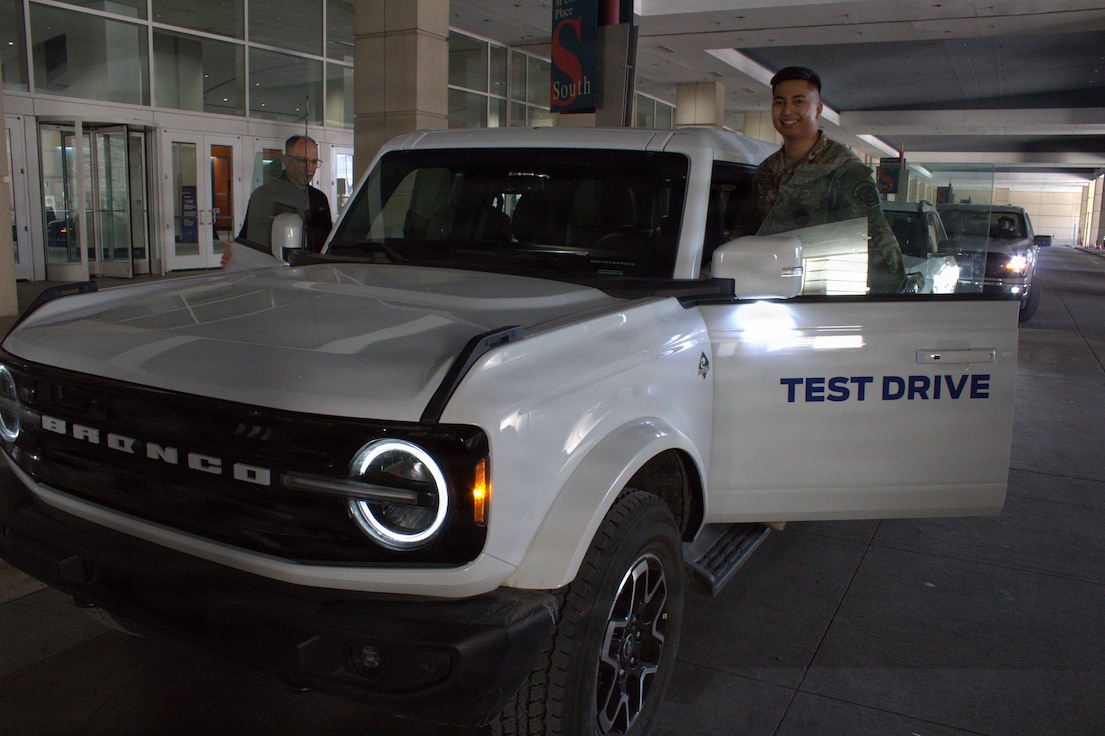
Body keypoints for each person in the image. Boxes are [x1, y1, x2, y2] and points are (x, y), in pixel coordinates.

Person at [744, 66, 905, 294]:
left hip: (823, 300)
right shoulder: (765, 172)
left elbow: (881, 253)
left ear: (818, 110)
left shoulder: (843, 170)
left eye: (798, 102)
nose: (787, 111)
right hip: (769, 295)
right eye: (779, 102)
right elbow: (744, 237)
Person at [232, 135, 332, 261]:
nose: (310, 168)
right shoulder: (265, 195)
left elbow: (328, 243)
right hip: (275, 272)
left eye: (314, 162)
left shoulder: (320, 199)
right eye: (302, 161)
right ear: (286, 161)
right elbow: (247, 241)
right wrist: (234, 254)